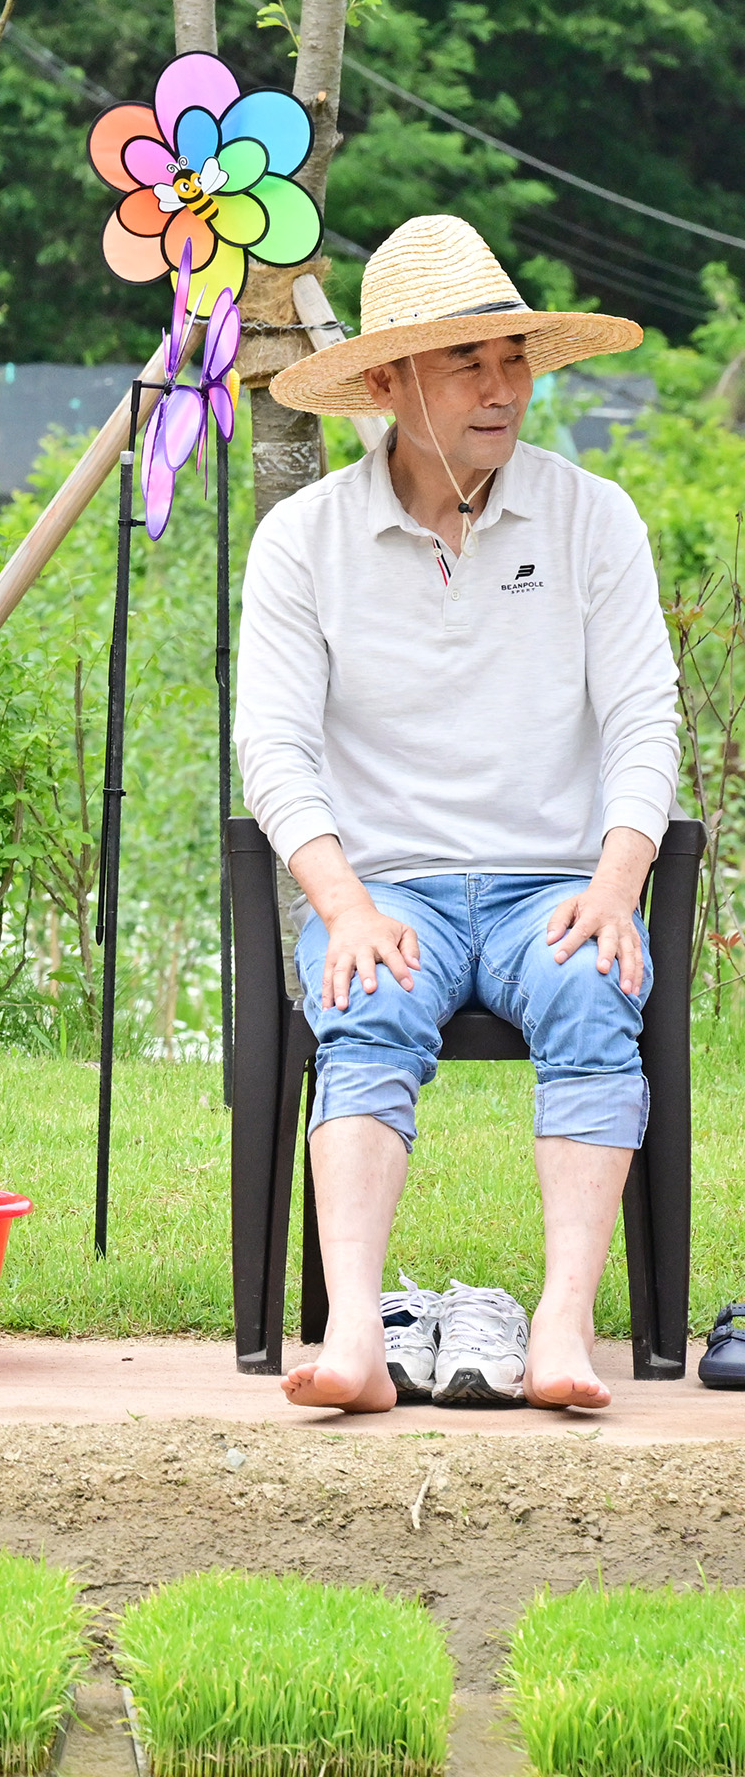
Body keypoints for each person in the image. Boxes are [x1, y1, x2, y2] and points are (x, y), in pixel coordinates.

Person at [241, 215, 674, 1415]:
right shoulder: (303, 540)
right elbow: (271, 746)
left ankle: (562, 1329)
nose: (502, 389)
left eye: (514, 359)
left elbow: (646, 721)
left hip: (555, 880)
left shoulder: (598, 519)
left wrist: (617, 878)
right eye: (466, 363)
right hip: (387, 888)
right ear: (386, 382)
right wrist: (341, 901)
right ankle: (354, 1335)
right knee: (363, 996)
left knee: (595, 995)